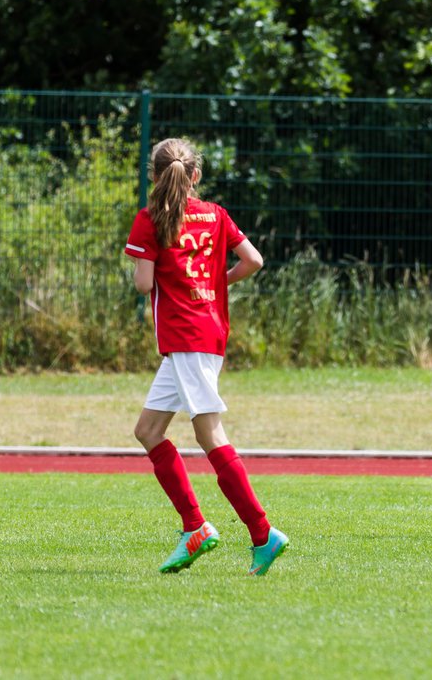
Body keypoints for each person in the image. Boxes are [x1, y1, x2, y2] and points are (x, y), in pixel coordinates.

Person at [124, 137, 290, 575]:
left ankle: (262, 532)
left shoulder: (151, 218)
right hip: (205, 333)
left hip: (185, 337)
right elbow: (253, 260)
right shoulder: (215, 215)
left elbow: (143, 285)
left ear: (155, 177)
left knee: (211, 436)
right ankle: (194, 527)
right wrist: (216, 284)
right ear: (194, 175)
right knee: (148, 430)